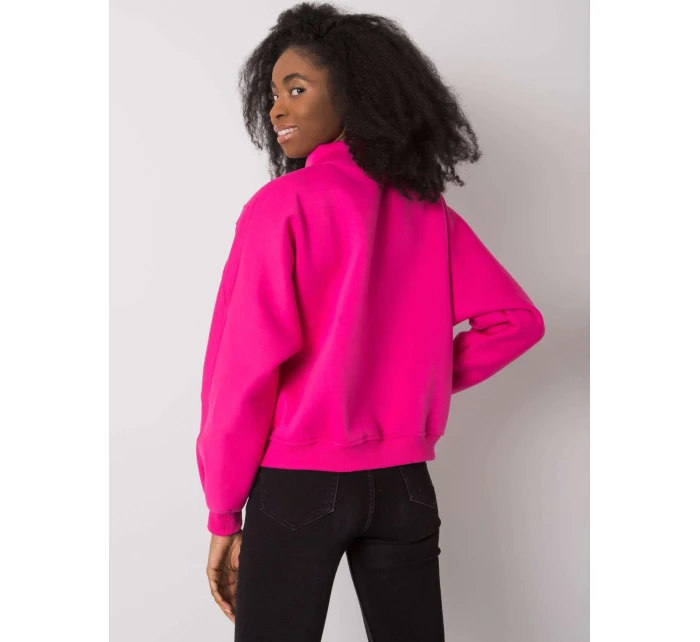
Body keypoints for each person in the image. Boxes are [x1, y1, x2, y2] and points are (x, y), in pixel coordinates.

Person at [195, 2, 545, 640]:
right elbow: (516, 322)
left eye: (296, 89)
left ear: (352, 96)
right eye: (272, 93)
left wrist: (223, 513)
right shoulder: (427, 212)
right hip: (404, 487)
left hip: (298, 487)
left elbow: (240, 374)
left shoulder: (282, 208)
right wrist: (415, 382)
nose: (275, 109)